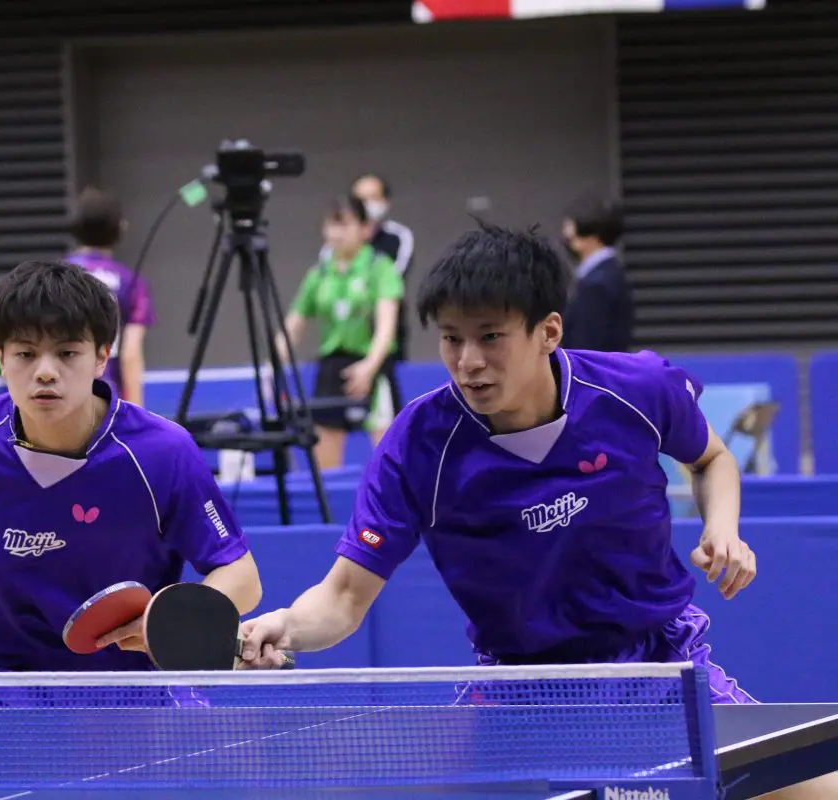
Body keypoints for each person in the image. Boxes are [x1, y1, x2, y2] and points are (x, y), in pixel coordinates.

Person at [242, 223, 836, 797]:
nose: (468, 361)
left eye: (490, 336)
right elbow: (345, 596)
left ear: (548, 331)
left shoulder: (635, 389)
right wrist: (286, 625)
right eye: (451, 338)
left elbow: (711, 458)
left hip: (659, 669)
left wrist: (722, 528)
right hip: (520, 693)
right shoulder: (419, 443)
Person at [0, 261, 261, 689]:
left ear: (102, 357)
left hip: (138, 692)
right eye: (25, 353)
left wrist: (166, 620)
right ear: (1, 358)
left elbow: (242, 576)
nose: (45, 371)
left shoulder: (161, 452)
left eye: (67, 353)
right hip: (9, 690)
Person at [282, 195, 403, 469]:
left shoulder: (379, 267)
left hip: (373, 367)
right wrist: (273, 367)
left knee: (390, 460)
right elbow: (293, 326)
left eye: (345, 225)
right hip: (331, 369)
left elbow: (386, 326)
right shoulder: (319, 274)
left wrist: (369, 367)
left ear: (365, 229)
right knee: (325, 468)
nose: (337, 233)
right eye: (332, 225)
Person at [63, 187, 155, 407]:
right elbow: (130, 354)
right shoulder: (131, 283)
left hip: (61, 396)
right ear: (119, 229)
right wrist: (136, 416)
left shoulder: (54, 277)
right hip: (107, 401)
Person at [560, 196, 633, 353]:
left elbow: (586, 347)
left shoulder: (596, 284)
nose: (566, 238)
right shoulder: (610, 273)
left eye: (572, 236)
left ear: (591, 236)